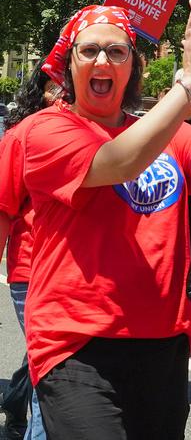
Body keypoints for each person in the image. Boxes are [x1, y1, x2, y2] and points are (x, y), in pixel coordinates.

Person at [8, 0, 191, 439]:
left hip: (163, 340)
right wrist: (188, 84)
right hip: (77, 344)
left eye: (116, 52)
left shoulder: (162, 132)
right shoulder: (47, 130)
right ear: (68, 63)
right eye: (89, 50)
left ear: (132, 65)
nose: (102, 61)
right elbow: (118, 162)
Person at [0, 59, 57, 440]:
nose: (62, 92)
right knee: (52, 369)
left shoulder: (99, 135)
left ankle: (14, 403)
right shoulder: (22, 137)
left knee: (50, 360)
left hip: (79, 272)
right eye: (52, 86)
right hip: (31, 270)